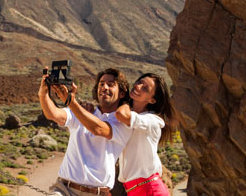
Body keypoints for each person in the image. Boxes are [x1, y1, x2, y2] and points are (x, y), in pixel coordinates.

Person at [70, 73, 177, 196]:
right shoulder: (125, 120)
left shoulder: (152, 120)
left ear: (152, 100)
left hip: (150, 190)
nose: (138, 86)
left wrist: (126, 102)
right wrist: (88, 110)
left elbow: (122, 114)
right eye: (139, 82)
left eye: (145, 88)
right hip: (132, 190)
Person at [38, 68, 132, 196]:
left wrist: (72, 102)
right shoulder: (81, 111)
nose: (104, 87)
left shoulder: (123, 124)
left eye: (111, 84)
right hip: (64, 189)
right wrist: (43, 94)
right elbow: (53, 114)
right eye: (101, 84)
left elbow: (98, 129)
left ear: (122, 93)